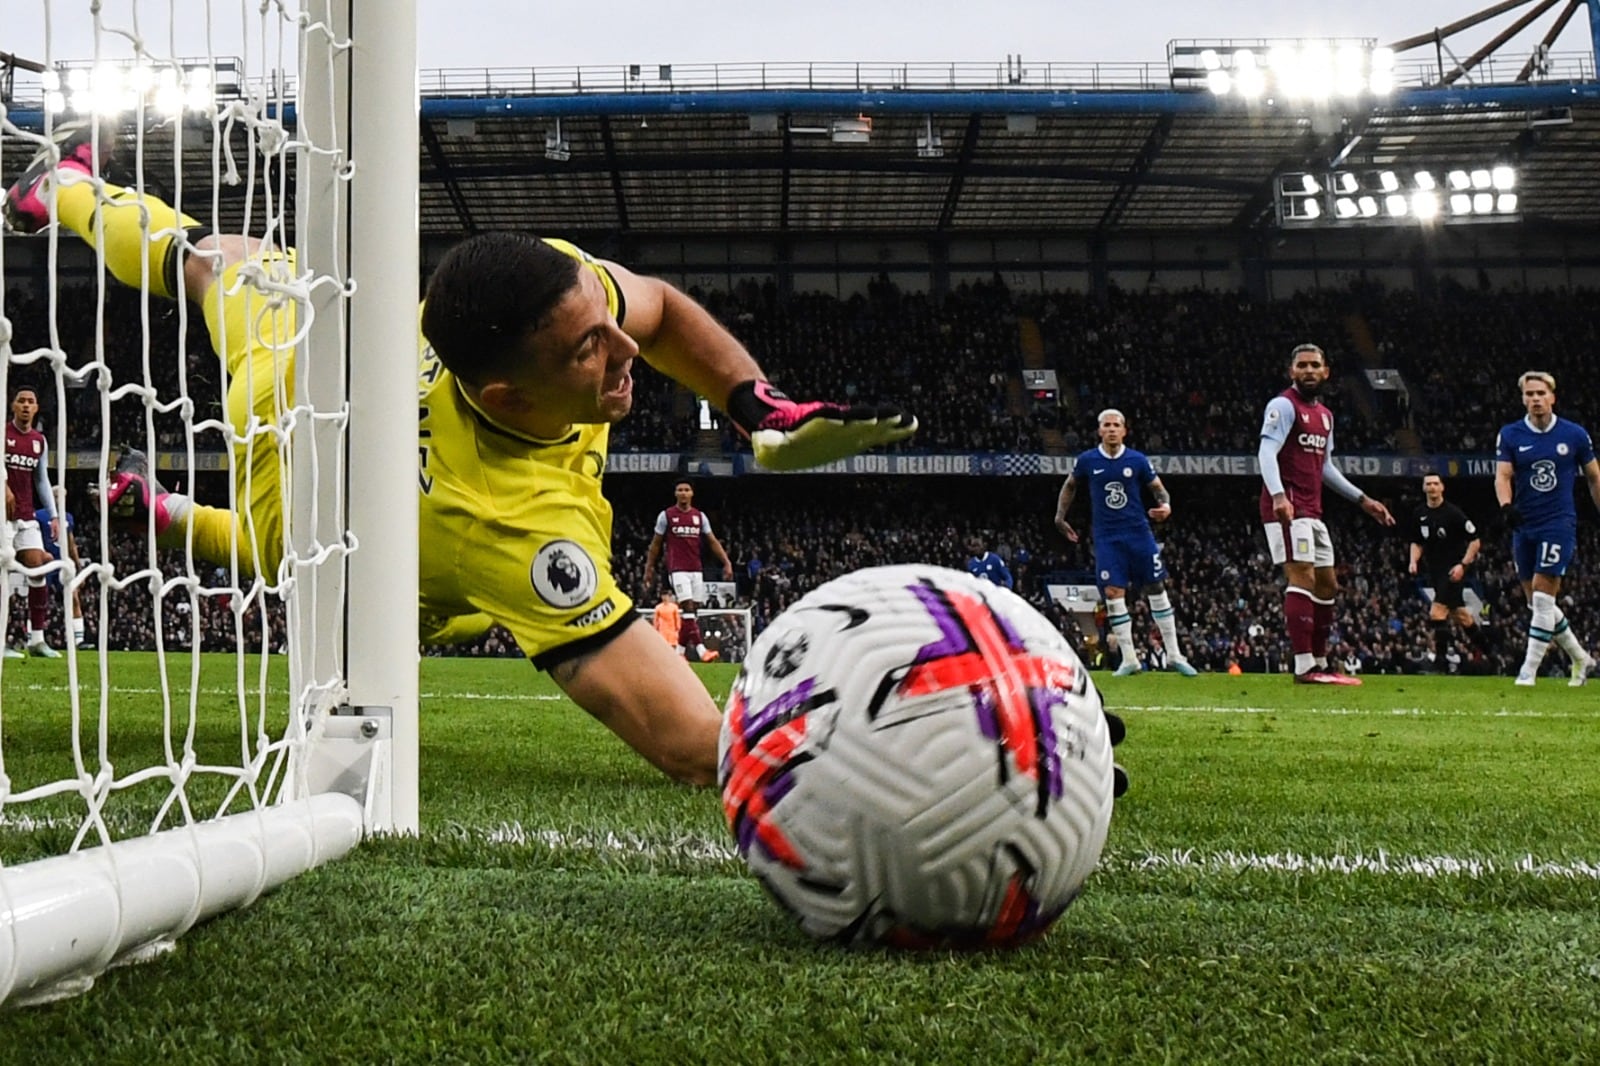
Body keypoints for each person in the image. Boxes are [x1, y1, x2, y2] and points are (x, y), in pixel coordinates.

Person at [5, 120, 918, 785]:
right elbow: (692, 745)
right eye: (588, 353)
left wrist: (755, 401)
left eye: (603, 328)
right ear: (505, 398)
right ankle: (165, 509)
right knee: (285, 556)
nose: (624, 353)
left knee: (210, 256)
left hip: (321, 336)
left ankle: (64, 191)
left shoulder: (555, 291)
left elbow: (662, 309)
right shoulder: (510, 537)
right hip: (289, 435)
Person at [1258, 344, 1395, 685]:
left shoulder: (1325, 416)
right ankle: (1304, 666)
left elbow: (1326, 467)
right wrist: (1278, 496)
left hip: (1313, 509)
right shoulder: (1283, 405)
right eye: (1301, 365)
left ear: (1326, 371)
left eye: (1314, 365)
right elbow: (1266, 451)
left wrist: (1362, 499)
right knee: (1301, 575)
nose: (1308, 370)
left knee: (1328, 584)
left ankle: (1319, 661)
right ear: (1292, 372)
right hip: (1289, 505)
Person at [1055, 408, 1198, 677]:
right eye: (1106, 425)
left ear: (1124, 430)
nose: (1111, 429)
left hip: (1139, 533)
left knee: (1156, 586)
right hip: (1107, 538)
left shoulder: (1138, 460)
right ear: (1099, 430)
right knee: (1112, 592)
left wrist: (1166, 506)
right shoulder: (1087, 460)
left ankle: (1175, 655)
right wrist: (1060, 517)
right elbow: (1071, 485)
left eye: (1116, 425)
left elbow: (1158, 488)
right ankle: (1129, 659)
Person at [1493, 371, 1600, 687]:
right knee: (1537, 603)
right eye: (1529, 394)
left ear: (1553, 396)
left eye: (1541, 393)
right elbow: (1502, 476)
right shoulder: (1511, 434)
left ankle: (1528, 673)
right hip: (1525, 524)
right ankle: (1581, 658)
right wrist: (1505, 506)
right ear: (1523, 398)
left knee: (1542, 599)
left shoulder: (1574, 435)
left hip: (1558, 522)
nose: (1535, 399)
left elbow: (1594, 476)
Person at [643, 481, 734, 663]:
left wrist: (726, 562)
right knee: (688, 607)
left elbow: (712, 541)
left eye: (687, 490)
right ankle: (702, 651)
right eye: (680, 490)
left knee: (692, 612)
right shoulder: (666, 516)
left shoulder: (699, 517)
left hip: (696, 569)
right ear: (675, 493)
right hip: (677, 569)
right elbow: (656, 544)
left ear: (692, 493)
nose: (683, 493)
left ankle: (678, 654)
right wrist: (649, 568)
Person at [1406, 472, 1488, 673]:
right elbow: (1417, 541)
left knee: (1436, 613)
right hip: (1434, 571)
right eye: (1429, 484)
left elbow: (1475, 541)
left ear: (1442, 487)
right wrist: (1413, 561)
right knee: (1462, 617)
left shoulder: (1453, 513)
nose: (1432, 487)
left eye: (1436, 483)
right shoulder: (1420, 513)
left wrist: (1462, 565)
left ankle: (1441, 663)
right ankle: (1492, 653)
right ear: (1424, 488)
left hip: (1453, 572)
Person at [4, 386, 63, 657]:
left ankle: (37, 639)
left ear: (37, 407)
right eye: (22, 401)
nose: (26, 405)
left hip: (26, 515)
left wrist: (53, 515)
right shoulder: (3, 434)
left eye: (31, 401)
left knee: (38, 568)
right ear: (13, 406)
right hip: (3, 516)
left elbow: (41, 480)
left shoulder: (39, 441)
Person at [34, 486, 90, 650]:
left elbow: (71, 543)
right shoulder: (39, 515)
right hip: (46, 562)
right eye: (57, 496)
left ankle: (79, 641)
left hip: (64, 564)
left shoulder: (68, 518)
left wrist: (79, 567)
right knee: (39, 598)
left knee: (73, 597)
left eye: (63, 496)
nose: (61, 500)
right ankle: (35, 637)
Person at [651, 588, 683, 654]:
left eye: (666, 596)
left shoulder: (674, 607)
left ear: (669, 597)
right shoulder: (658, 607)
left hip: (672, 630)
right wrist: (655, 628)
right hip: (662, 630)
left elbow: (677, 618)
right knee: (662, 646)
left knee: (672, 646)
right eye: (663, 596)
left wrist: (678, 628)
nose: (665, 597)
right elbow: (656, 619)